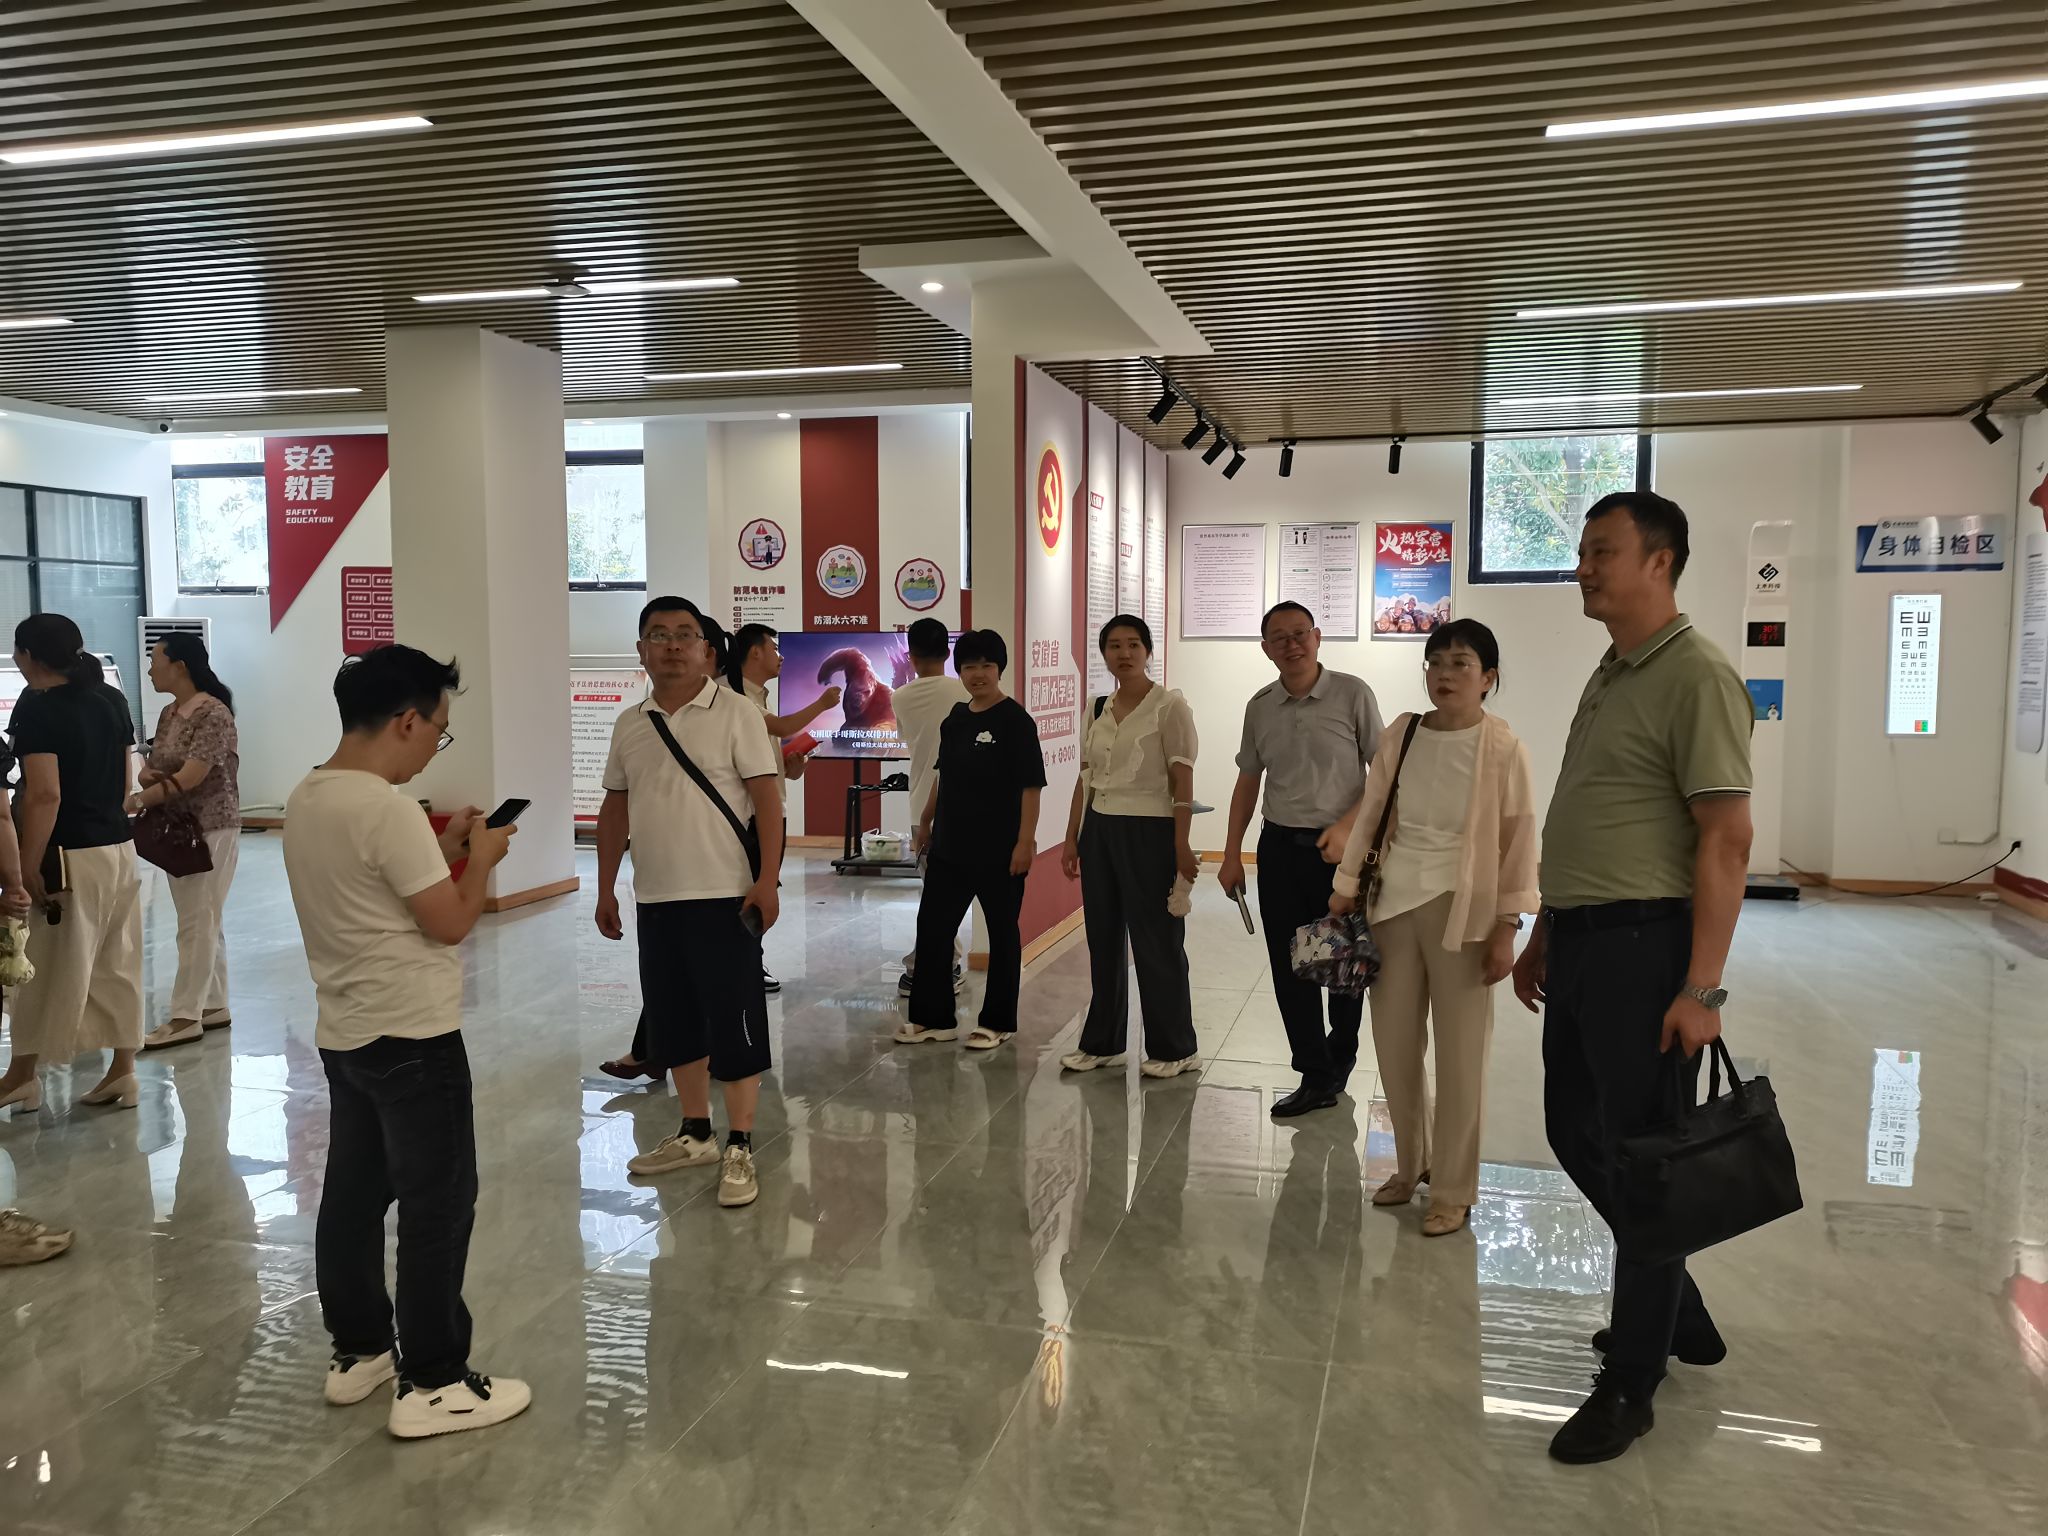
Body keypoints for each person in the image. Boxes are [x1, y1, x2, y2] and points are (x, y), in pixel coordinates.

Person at [1512, 491, 1753, 1465]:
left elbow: (1726, 838)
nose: (1582, 568)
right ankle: (1675, 1302)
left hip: (1644, 948)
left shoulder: (1696, 674)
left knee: (1646, 1160)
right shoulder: (1613, 668)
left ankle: (1631, 1383)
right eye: (1581, 552)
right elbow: (1592, 813)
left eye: (1601, 551)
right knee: (1572, 1129)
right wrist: (1545, 931)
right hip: (1580, 940)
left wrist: (1701, 989)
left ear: (1660, 561)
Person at [282, 644, 529, 1437]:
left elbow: (376, 889)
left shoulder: (308, 796)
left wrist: (447, 851)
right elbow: (450, 923)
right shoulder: (386, 809)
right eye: (439, 731)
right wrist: (482, 861)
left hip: (347, 1033)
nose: (434, 748)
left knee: (353, 1196)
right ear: (407, 720)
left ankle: (360, 1351)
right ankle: (434, 1381)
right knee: (438, 1202)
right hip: (415, 1036)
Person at [1329, 619, 1537, 1236]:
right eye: (1436, 663)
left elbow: (1519, 840)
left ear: (1488, 678)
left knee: (1461, 1055)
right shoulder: (1405, 732)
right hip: (1391, 906)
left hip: (1465, 913)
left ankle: (1452, 1188)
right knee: (1394, 1047)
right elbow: (1373, 812)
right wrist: (1346, 884)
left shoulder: (1503, 748)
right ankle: (1410, 1165)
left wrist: (1508, 926)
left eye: (1460, 664)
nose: (1445, 675)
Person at [595, 596, 784, 1208]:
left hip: (725, 895)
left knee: (735, 1021)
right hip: (656, 896)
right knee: (674, 1019)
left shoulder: (736, 713)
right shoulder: (631, 723)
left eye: (685, 634)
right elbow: (615, 808)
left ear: (706, 648)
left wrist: (768, 880)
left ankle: (740, 1144)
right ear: (641, 650)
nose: (672, 645)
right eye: (658, 635)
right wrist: (605, 886)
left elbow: (768, 800)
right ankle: (696, 1132)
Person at [1218, 601, 1382, 1118]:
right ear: (1266, 649)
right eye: (1279, 638)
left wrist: (1346, 827)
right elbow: (1249, 781)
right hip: (1280, 849)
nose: (1291, 645)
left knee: (1341, 963)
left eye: (1299, 634)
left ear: (1317, 637)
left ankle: (1340, 1056)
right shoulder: (1260, 706)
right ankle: (1314, 1073)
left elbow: (1384, 774)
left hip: (1340, 854)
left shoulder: (1352, 693)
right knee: (1292, 963)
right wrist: (1231, 853)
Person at [0, 615, 143, 1113]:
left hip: (67, 854)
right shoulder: (111, 699)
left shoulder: (38, 707)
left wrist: (26, 865)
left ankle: (21, 1076)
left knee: (42, 964)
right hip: (118, 846)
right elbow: (126, 783)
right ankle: (123, 1070)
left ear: (27, 656)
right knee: (117, 961)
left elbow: (44, 794)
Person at [1057, 614, 1200, 1078]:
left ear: (1148, 651)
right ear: (1103, 653)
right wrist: (1071, 837)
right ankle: (1103, 1043)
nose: (1124, 653)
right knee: (1102, 937)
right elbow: (1085, 778)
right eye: (1114, 645)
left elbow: (1182, 779)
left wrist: (1182, 843)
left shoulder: (1169, 706)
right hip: (1099, 829)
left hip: (1150, 830)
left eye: (1134, 644)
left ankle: (1176, 1048)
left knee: (1156, 941)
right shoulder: (1097, 708)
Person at [895, 629, 1044, 1049]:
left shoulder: (1016, 721)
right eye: (969, 666)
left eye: (987, 665)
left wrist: (1025, 841)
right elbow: (942, 776)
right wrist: (926, 821)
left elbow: (1031, 787)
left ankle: (997, 1022)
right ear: (958, 671)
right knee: (933, 929)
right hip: (949, 846)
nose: (978, 674)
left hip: (1000, 849)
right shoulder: (956, 719)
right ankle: (933, 1019)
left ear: (999, 669)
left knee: (1002, 933)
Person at [132, 633, 242, 1049]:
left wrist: (138, 800)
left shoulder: (213, 713)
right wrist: (147, 776)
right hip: (180, 828)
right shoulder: (170, 712)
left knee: (197, 921)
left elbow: (193, 775)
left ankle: (185, 1016)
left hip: (212, 826)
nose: (150, 670)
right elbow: (157, 766)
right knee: (203, 917)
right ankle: (213, 1005)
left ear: (179, 666)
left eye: (155, 660)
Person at [726, 622, 837, 995]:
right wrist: (822, 704)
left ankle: (749, 962)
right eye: (774, 647)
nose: (780, 656)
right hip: (748, 815)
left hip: (770, 809)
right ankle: (745, 965)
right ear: (755, 651)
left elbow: (769, 757)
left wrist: (791, 767)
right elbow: (781, 725)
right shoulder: (735, 697)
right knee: (750, 888)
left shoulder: (757, 696)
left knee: (761, 885)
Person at [892, 617, 969, 998]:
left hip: (921, 804)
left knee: (936, 893)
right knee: (944, 895)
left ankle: (933, 964)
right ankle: (943, 962)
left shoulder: (900, 697)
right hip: (965, 806)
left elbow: (908, 739)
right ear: (948, 652)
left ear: (911, 655)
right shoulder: (964, 691)